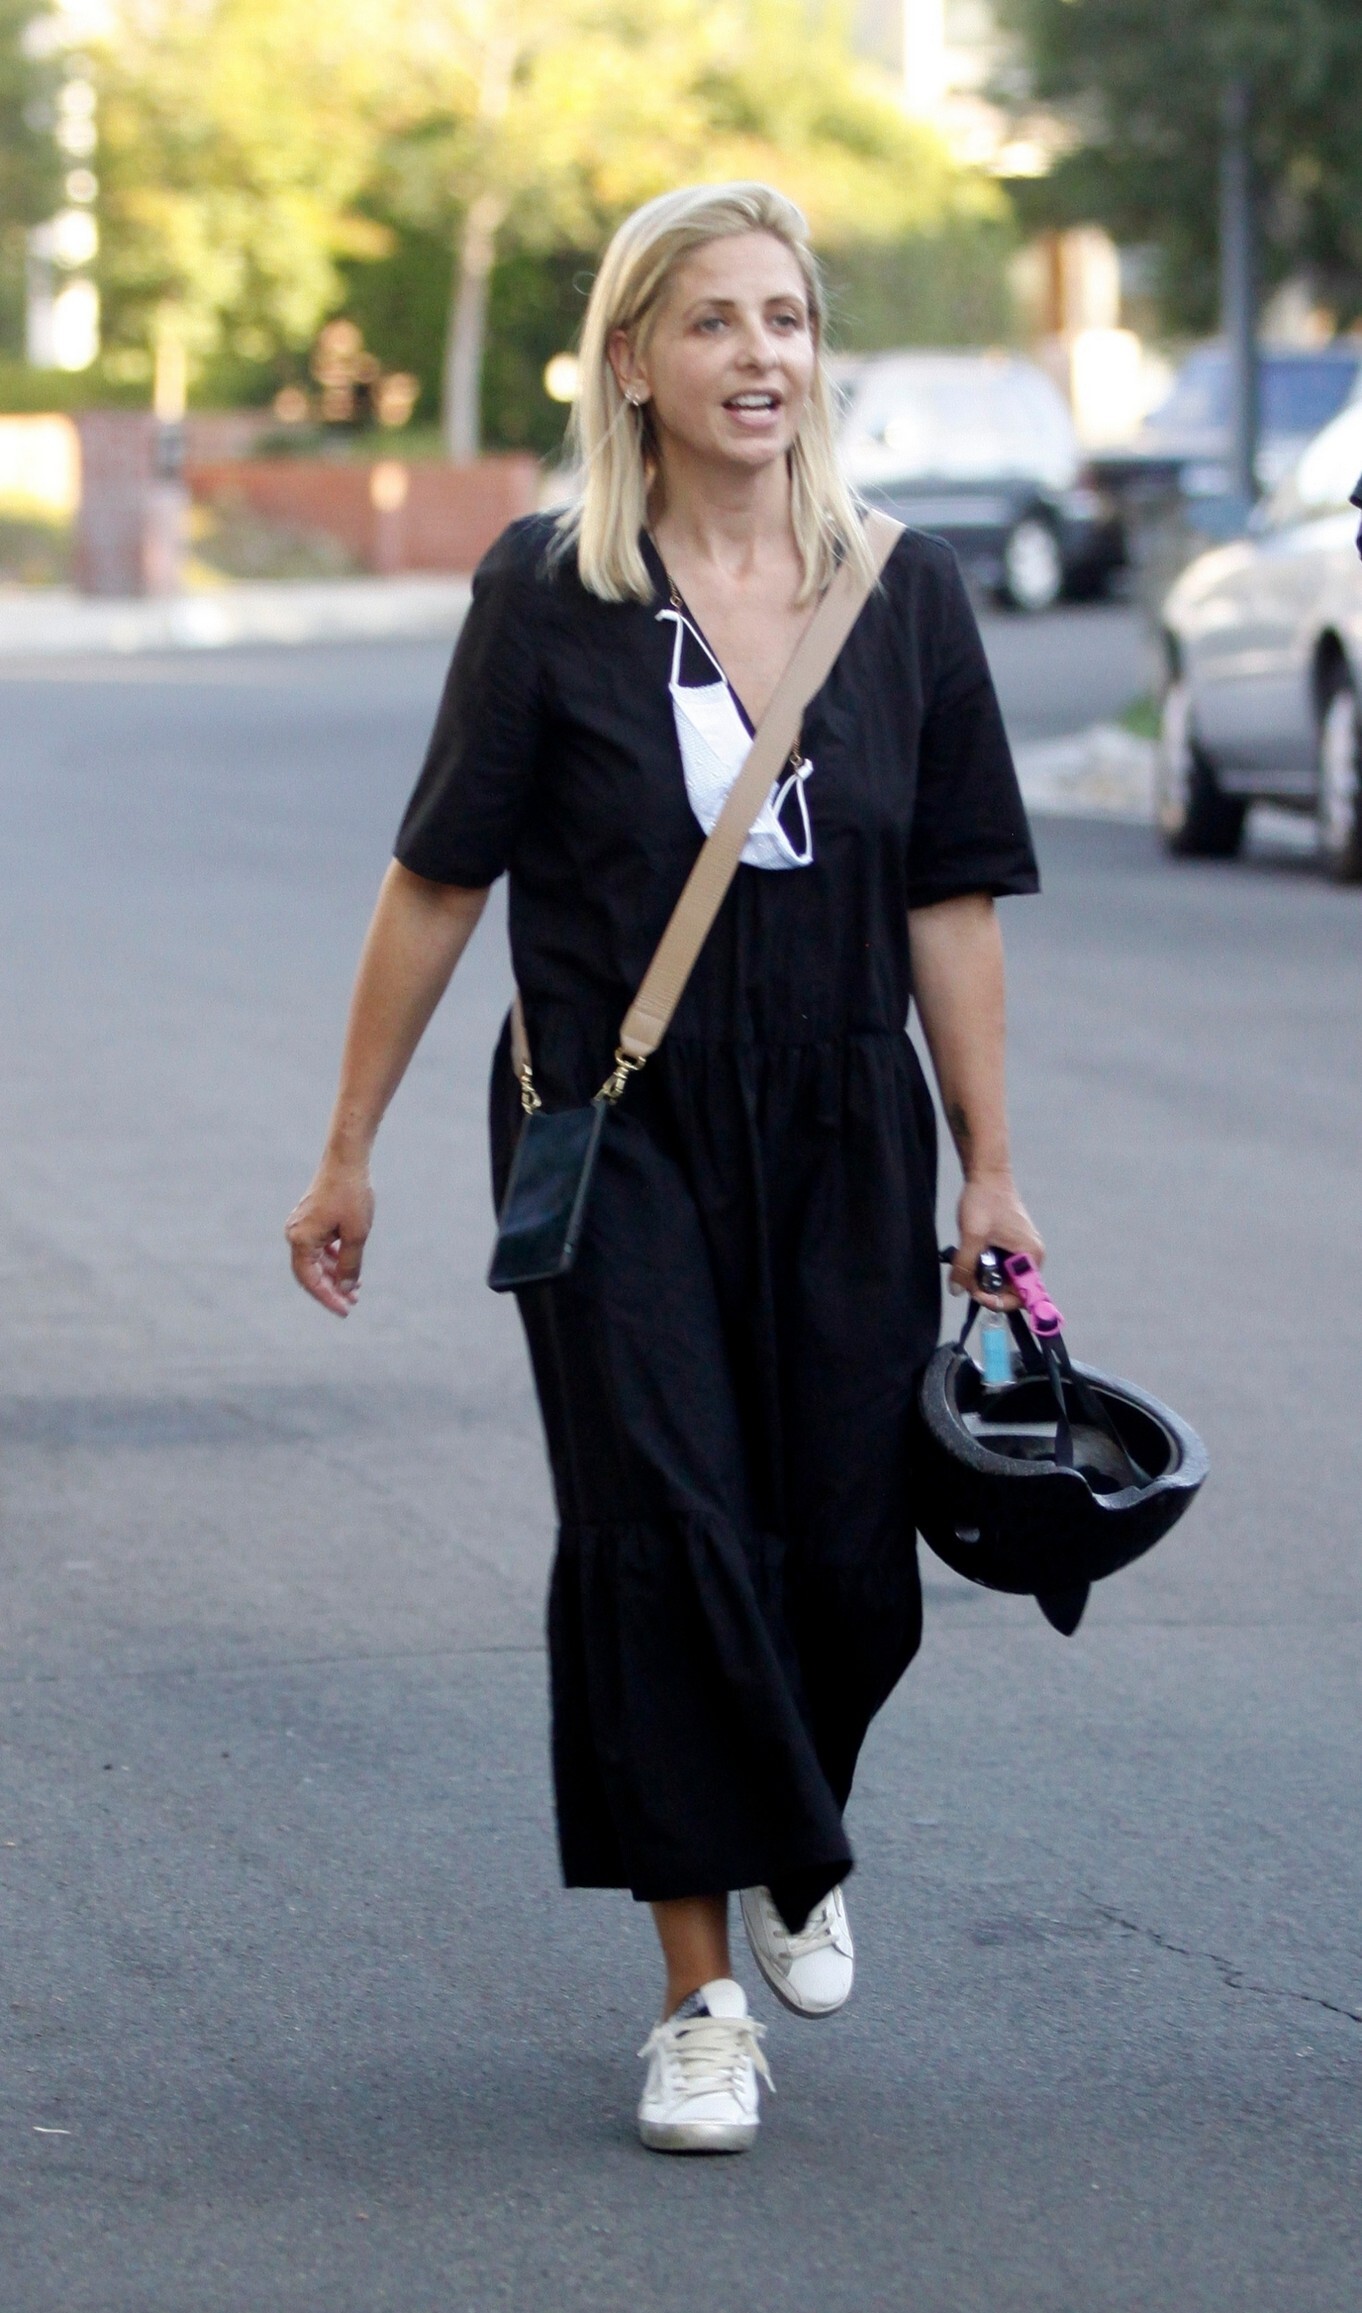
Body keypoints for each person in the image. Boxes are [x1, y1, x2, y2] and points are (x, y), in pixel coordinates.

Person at [286, 181, 1042, 2155]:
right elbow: (439, 878)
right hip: (607, 1123)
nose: (757, 355)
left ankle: (793, 1827)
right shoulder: (549, 592)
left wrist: (991, 1168)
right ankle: (697, 2001)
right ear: (630, 361)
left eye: (784, 318)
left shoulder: (905, 592)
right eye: (712, 321)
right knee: (666, 1526)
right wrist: (349, 1146)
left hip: (846, 1123)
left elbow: (953, 898)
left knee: (851, 1559)